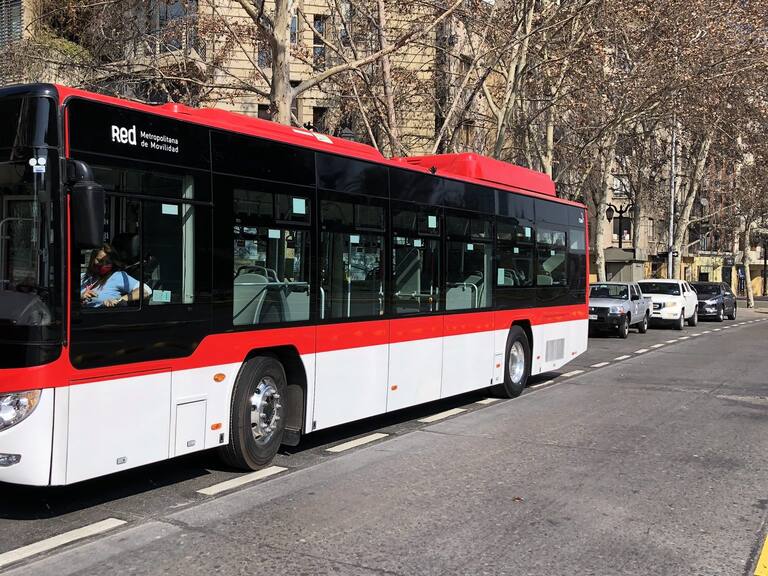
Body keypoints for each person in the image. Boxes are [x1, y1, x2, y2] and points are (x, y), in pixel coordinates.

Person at [80, 243, 152, 308]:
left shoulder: (117, 276)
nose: (103, 264)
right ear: (92, 259)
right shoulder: (82, 277)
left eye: (107, 262)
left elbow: (146, 290)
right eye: (100, 260)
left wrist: (119, 300)